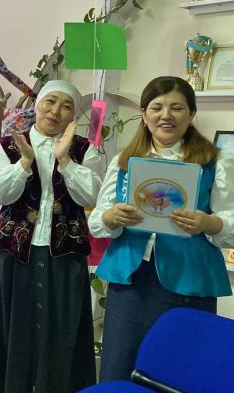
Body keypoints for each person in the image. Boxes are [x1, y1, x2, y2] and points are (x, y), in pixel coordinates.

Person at [89, 76, 234, 381]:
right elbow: (98, 219)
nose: (166, 115)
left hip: (189, 281)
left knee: (179, 369)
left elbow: (230, 220)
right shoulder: (124, 161)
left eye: (177, 108)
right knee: (120, 364)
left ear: (191, 114)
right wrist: (112, 217)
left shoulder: (215, 162)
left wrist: (210, 223)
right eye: (157, 107)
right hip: (131, 280)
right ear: (144, 114)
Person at [0, 80, 104, 393]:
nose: (56, 111)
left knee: (60, 328)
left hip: (64, 253)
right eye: (50, 101)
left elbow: (91, 195)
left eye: (66, 106)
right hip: (16, 252)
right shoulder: (9, 146)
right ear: (38, 104)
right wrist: (24, 163)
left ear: (74, 115)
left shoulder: (84, 150)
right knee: (15, 325)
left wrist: (65, 161)